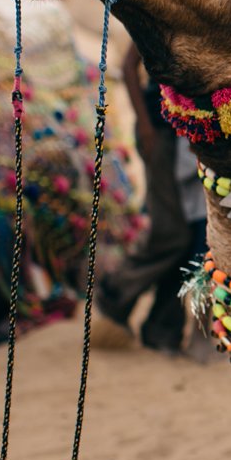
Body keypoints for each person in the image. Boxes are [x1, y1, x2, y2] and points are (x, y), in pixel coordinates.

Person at [95, 45, 207, 353]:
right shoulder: (153, 4)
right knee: (172, 233)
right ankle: (115, 291)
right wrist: (144, 124)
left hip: (187, 133)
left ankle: (162, 329)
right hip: (158, 131)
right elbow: (129, 66)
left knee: (190, 237)